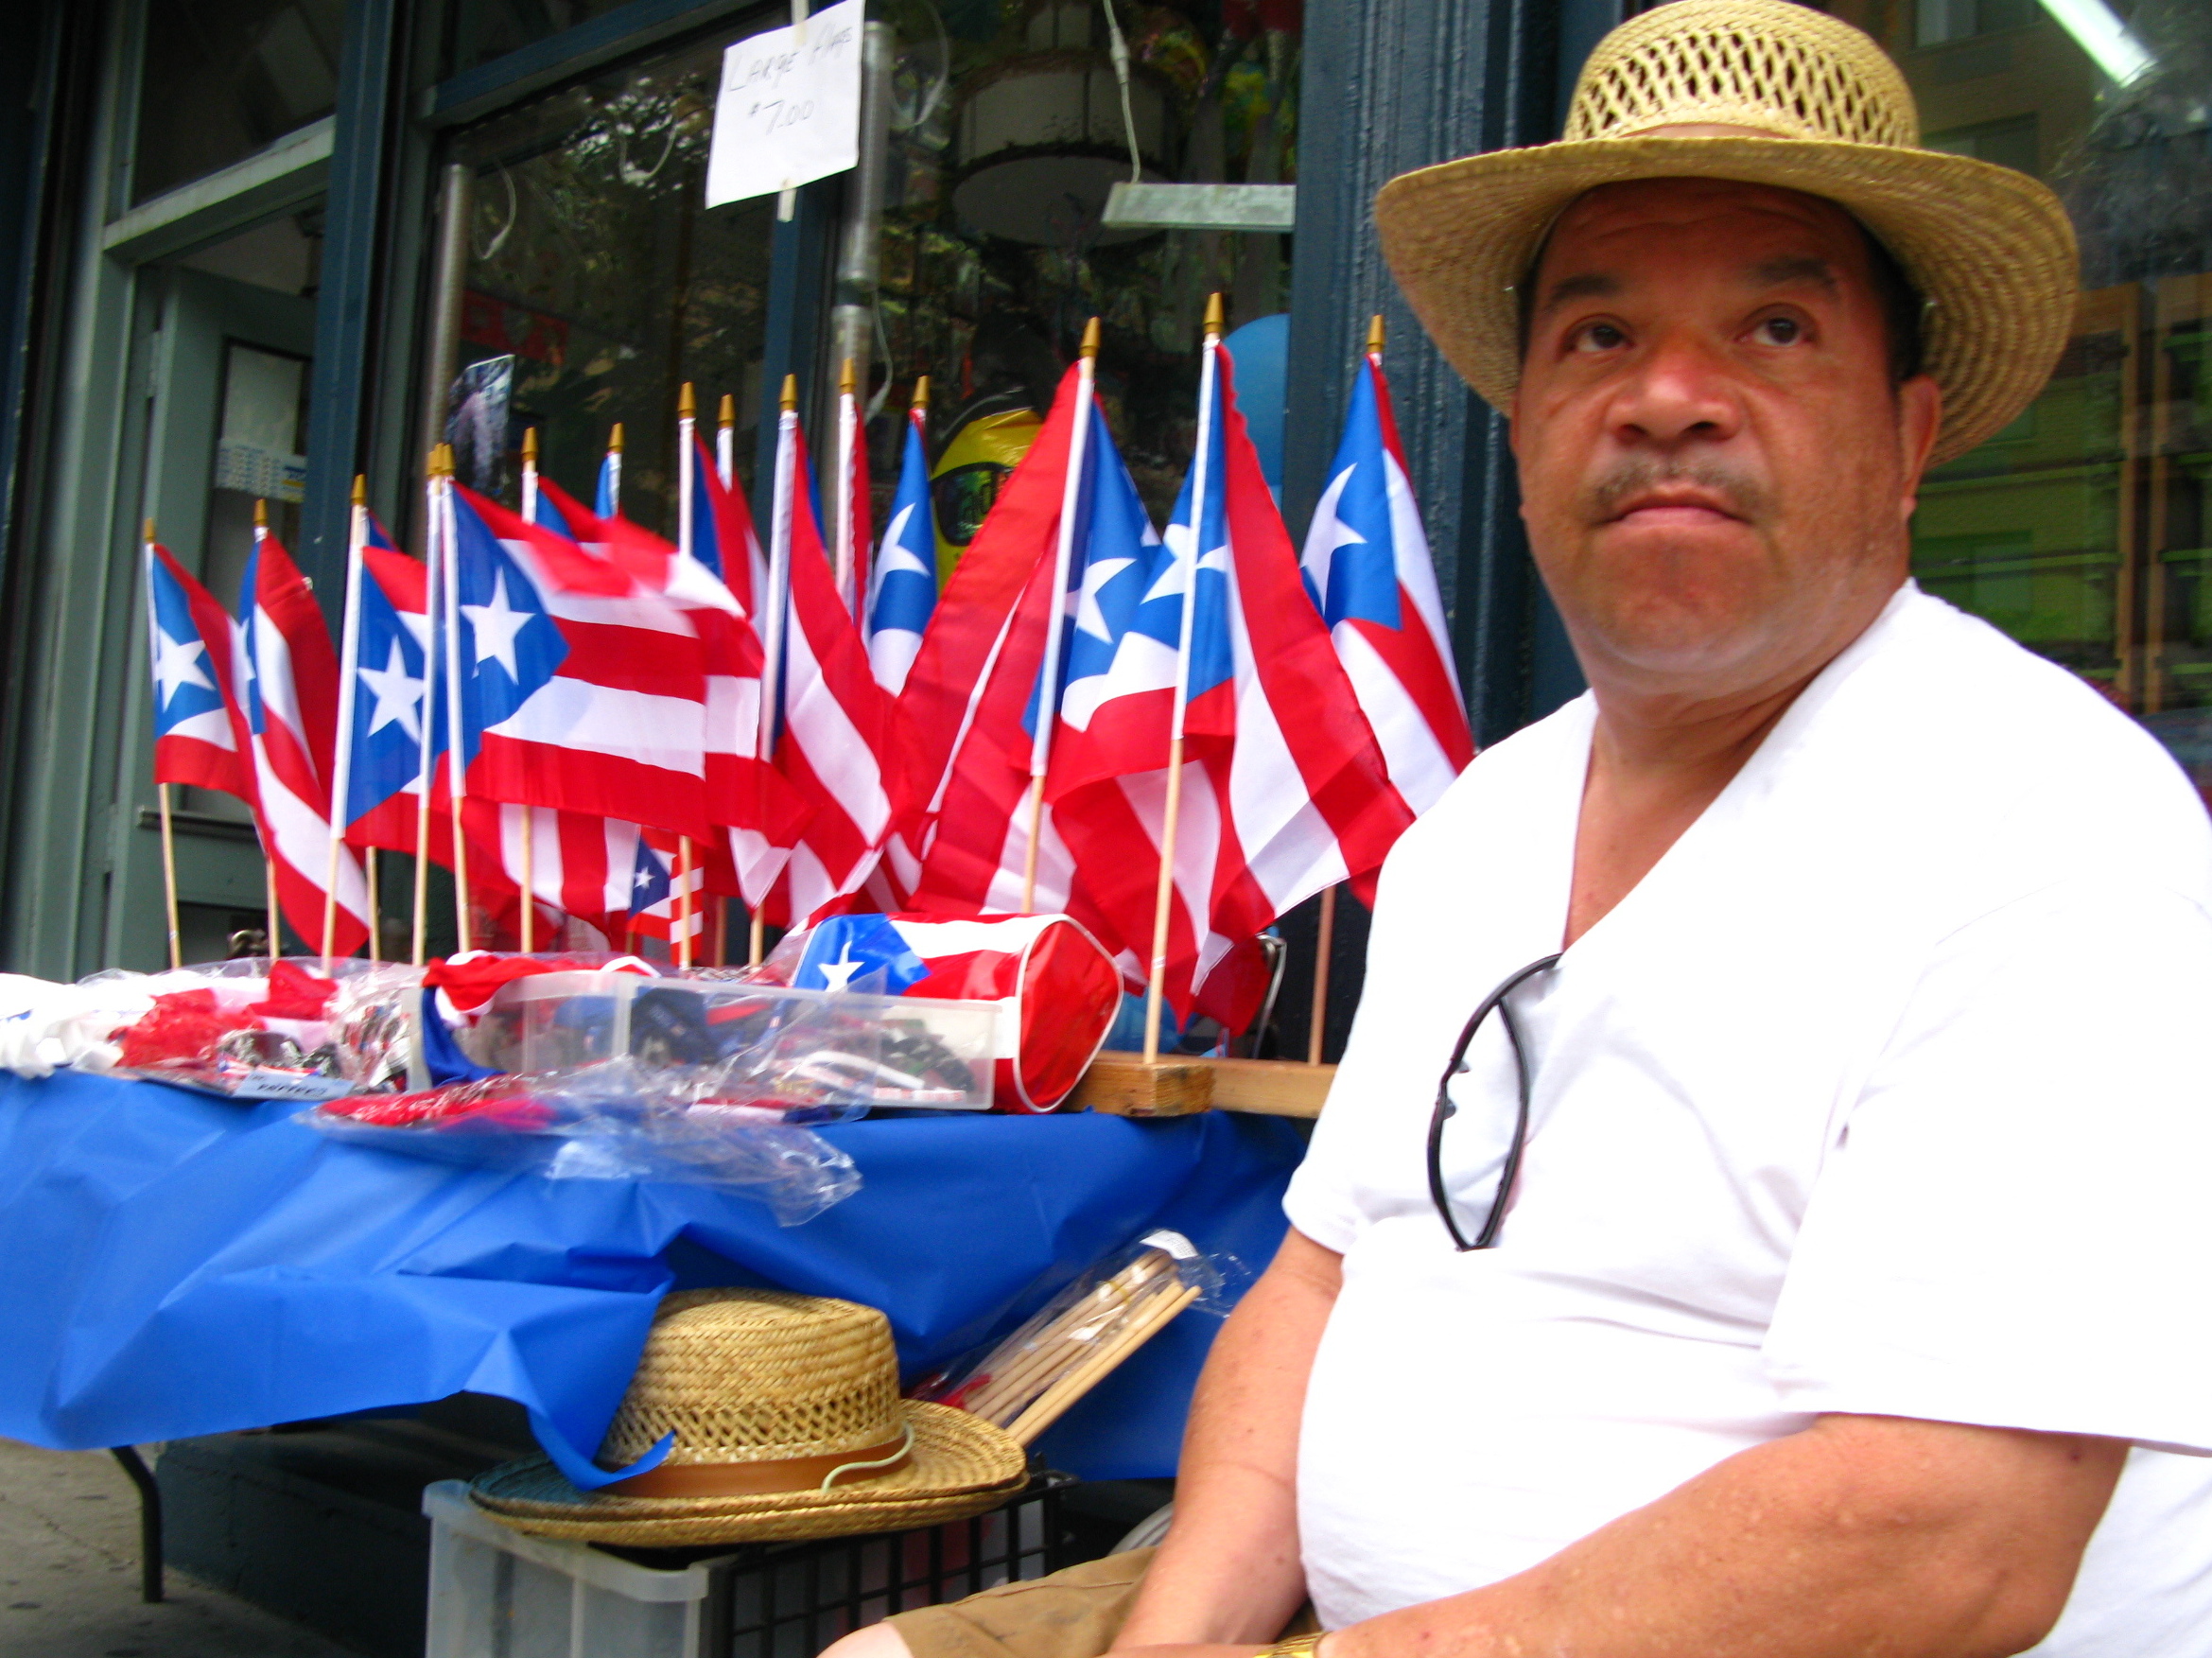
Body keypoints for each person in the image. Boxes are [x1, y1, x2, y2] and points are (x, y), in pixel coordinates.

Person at [827, 2, 2212, 1654]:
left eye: (1775, 328)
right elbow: (1323, 1285)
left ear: (1909, 438)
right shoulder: (1478, 823)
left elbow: (1948, 1532)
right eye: (1599, 336)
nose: (1670, 399)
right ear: (1529, 432)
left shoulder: (2047, 822)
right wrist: (1173, 1641)